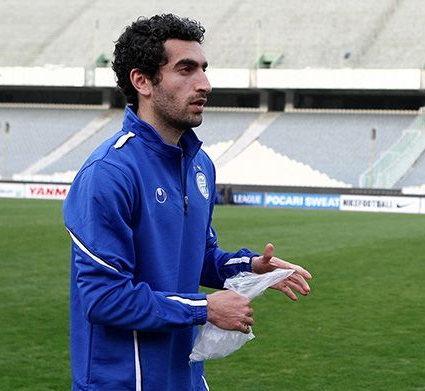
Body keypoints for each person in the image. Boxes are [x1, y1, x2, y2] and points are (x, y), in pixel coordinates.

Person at [62, 13, 312, 391]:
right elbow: (103, 298)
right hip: (123, 383)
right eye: (186, 69)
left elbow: (198, 256)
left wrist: (247, 266)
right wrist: (206, 308)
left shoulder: (200, 165)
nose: (205, 84)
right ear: (142, 81)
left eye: (204, 69)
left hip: (186, 379)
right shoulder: (109, 172)